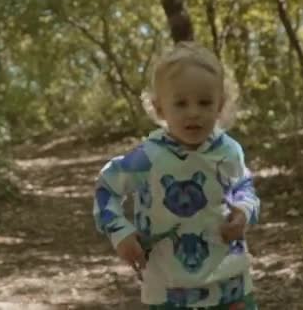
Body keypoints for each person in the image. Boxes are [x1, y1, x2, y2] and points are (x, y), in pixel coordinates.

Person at [93, 42, 260, 309]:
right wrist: (120, 233)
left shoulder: (229, 151)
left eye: (204, 102)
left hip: (230, 286)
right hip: (168, 289)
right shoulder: (148, 157)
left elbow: (244, 188)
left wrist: (243, 211)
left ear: (220, 106)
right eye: (180, 103)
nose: (193, 112)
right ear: (160, 109)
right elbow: (106, 188)